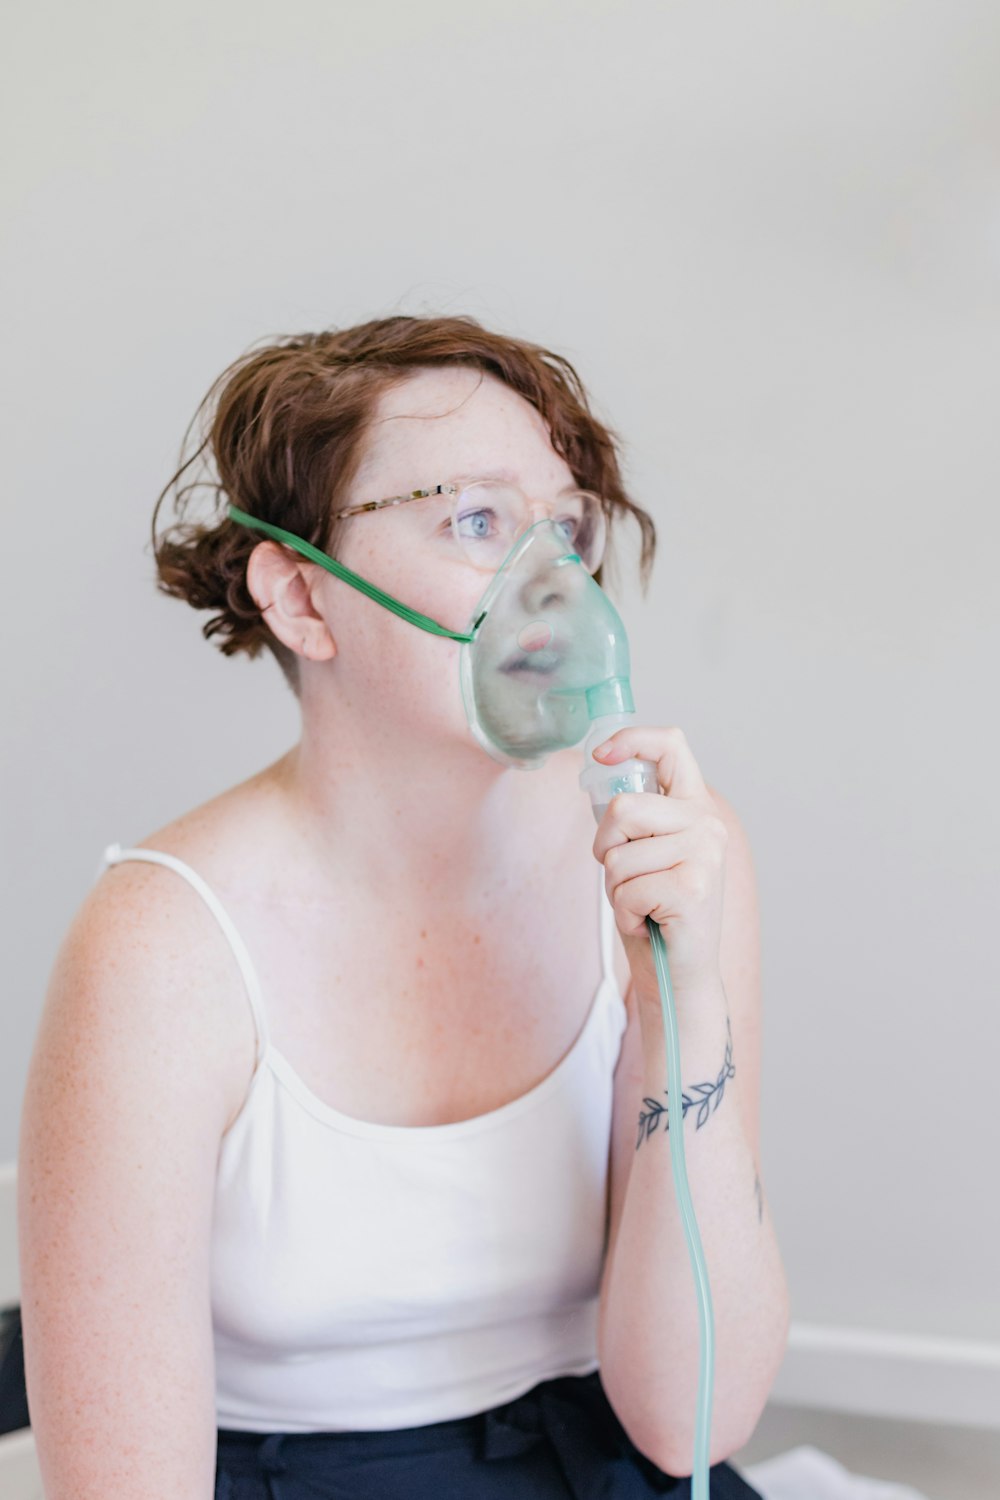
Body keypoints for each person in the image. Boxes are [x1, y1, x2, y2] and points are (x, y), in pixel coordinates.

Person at [18, 315, 786, 1498]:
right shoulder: (161, 951)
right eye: (476, 519)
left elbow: (693, 1423)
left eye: (562, 524)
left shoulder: (662, 862)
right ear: (302, 599)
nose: (553, 583)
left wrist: (675, 999)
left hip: (603, 1463)